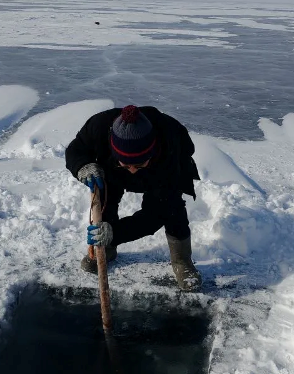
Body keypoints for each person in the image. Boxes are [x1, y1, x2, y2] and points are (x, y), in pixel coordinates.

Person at [65, 104, 202, 291]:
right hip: (111, 169)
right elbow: (76, 149)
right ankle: (106, 249)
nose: (132, 170)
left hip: (161, 172)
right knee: (105, 196)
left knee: (172, 209)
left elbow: (153, 217)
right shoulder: (99, 126)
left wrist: (115, 232)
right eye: (126, 164)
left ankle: (182, 260)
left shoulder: (170, 143)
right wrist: (82, 166)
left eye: (138, 164)